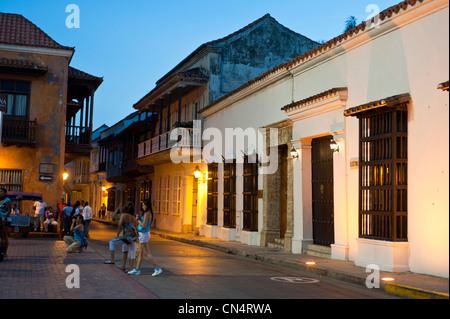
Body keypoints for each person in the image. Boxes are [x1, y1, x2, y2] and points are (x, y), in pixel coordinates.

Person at [128, 199, 162, 276]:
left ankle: (157, 268)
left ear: (146, 205)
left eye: (143, 205)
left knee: (147, 253)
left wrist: (138, 220)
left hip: (144, 234)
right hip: (142, 234)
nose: (142, 206)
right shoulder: (147, 213)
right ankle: (137, 269)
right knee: (140, 253)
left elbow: (143, 225)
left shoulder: (147, 214)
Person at [104, 202, 137, 272]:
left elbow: (118, 223)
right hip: (133, 236)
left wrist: (117, 235)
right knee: (132, 251)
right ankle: (130, 268)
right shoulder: (134, 217)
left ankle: (113, 260)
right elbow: (136, 228)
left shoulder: (123, 215)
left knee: (112, 243)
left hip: (125, 236)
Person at [0, 188, 12, 258]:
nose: (0, 193)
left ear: (5, 193)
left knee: (4, 236)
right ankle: (1, 251)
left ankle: (5, 252)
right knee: (0, 236)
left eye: (1, 192)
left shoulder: (7, 200)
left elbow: (9, 210)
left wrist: (4, 218)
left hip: (5, 220)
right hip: (0, 220)